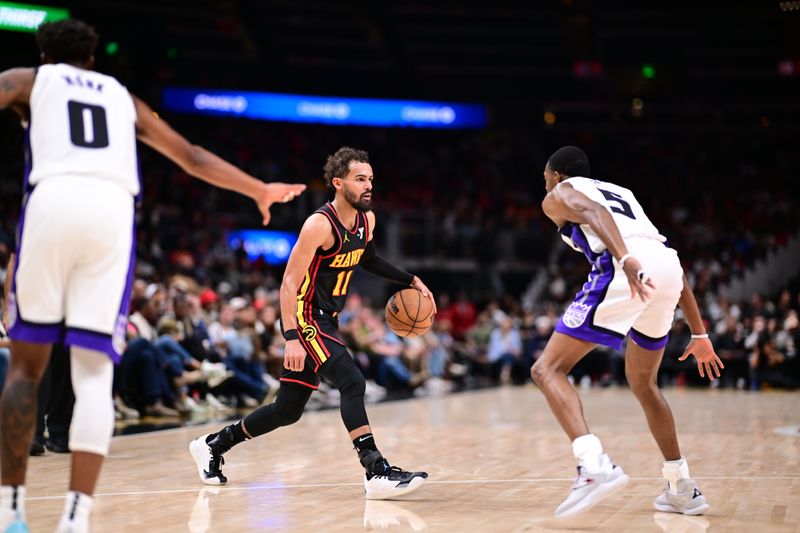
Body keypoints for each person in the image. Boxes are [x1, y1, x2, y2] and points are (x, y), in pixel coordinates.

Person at [0, 18, 305, 533]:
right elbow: (191, 156)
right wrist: (258, 189)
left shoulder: (29, 80)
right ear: (93, 60)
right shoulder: (123, 98)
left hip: (52, 199)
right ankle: (76, 517)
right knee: (94, 373)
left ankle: (11, 513)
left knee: (27, 368)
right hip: (112, 212)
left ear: (44, 56)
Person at [190, 146, 435, 500]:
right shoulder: (319, 224)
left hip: (327, 320)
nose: (368, 186)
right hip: (305, 317)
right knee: (352, 381)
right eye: (360, 179)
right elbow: (289, 282)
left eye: (370, 179)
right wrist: (291, 336)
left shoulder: (367, 221)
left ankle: (213, 444)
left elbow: (369, 259)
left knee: (287, 410)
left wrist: (410, 279)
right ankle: (375, 469)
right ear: (338, 182)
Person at [530, 146, 724, 518]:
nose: (545, 186)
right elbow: (666, 262)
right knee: (644, 384)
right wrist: (699, 334)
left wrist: (624, 259)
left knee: (546, 370)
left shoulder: (560, 193)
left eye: (545, 179)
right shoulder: (624, 193)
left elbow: (593, 212)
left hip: (627, 264)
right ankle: (681, 485)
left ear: (556, 176)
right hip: (667, 266)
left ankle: (593, 467)